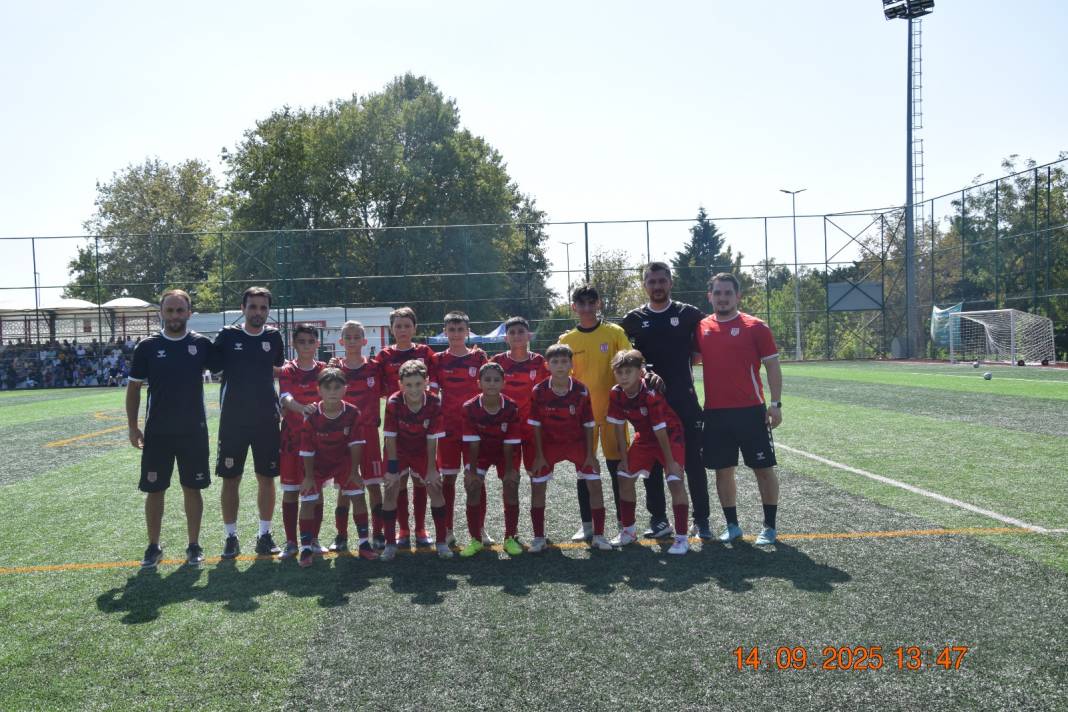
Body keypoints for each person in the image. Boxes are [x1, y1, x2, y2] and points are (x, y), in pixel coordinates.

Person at [620, 262, 711, 539]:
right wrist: (645, 371)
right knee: (653, 463)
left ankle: (701, 520)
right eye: (652, 281)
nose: (657, 286)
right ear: (644, 285)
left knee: (693, 462)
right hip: (649, 403)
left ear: (670, 282)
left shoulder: (689, 314)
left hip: (684, 400)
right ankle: (659, 520)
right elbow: (627, 359)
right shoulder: (632, 319)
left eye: (662, 281)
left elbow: (706, 344)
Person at [126, 289, 216, 568]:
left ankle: (194, 545)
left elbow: (232, 366)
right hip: (158, 433)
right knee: (155, 490)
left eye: (180, 310)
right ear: (161, 313)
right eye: (170, 310)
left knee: (192, 488)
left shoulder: (201, 344)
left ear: (189, 313)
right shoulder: (147, 346)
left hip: (193, 431)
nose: (175, 315)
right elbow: (133, 389)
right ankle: (153, 546)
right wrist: (133, 426)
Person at [694, 273, 783, 545]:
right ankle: (732, 526)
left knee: (763, 468)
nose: (722, 298)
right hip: (716, 413)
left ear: (737, 296)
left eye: (728, 293)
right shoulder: (701, 327)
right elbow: (690, 359)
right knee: (723, 470)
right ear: (710, 296)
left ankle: (769, 527)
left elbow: (772, 366)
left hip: (751, 411)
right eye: (718, 293)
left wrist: (775, 404)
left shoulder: (756, 327)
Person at [212, 286, 285, 559]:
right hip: (233, 420)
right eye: (252, 306)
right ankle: (230, 537)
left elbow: (280, 368)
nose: (258, 312)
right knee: (231, 478)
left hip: (266, 418)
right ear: (243, 308)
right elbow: (211, 365)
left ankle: (264, 534)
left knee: (267, 477)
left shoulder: (274, 337)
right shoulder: (228, 335)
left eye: (263, 308)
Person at [558, 284, 632, 542]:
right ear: (574, 307)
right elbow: (563, 377)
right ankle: (587, 523)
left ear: (599, 303)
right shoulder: (567, 340)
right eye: (582, 303)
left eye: (592, 302)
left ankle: (624, 524)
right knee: (585, 470)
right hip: (582, 417)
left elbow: (630, 363)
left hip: (613, 413)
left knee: (618, 469)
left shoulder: (614, 333)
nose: (587, 307)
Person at [528, 344, 613, 552]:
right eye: (555, 362)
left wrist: (591, 455)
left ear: (571, 364)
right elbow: (536, 426)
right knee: (538, 487)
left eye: (564, 361)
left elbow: (588, 425)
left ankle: (599, 535)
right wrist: (538, 455)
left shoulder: (581, 390)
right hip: (549, 445)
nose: (560, 365)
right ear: (547, 365)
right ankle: (538, 537)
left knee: (595, 484)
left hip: (577, 444)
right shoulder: (539, 391)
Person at [607, 349, 691, 555]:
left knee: (675, 480)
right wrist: (624, 459)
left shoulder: (650, 393)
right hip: (645, 437)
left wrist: (670, 462)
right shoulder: (616, 393)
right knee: (624, 476)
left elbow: (660, 430)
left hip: (669, 435)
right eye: (620, 372)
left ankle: (681, 538)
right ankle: (628, 531)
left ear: (640, 372)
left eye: (629, 371)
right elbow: (619, 428)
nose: (624, 376)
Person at [297, 368, 373, 567]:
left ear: (345, 389)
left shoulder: (352, 412)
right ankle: (306, 548)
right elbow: (307, 449)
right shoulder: (312, 414)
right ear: (319, 390)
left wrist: (354, 472)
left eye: (337, 387)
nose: (332, 391)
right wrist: (309, 477)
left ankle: (364, 544)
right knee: (308, 500)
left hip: (343, 462)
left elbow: (356, 444)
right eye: (327, 387)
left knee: (358, 495)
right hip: (316, 464)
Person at [372, 307, 435, 547]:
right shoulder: (384, 355)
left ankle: (420, 528)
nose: (402, 330)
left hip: (423, 425)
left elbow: (436, 378)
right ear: (391, 329)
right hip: (395, 427)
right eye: (398, 326)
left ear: (414, 328)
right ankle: (403, 529)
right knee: (397, 480)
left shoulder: (425, 352)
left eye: (407, 325)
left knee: (420, 480)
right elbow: (373, 380)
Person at [380, 360, 451, 560]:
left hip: (422, 450)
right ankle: (391, 543)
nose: (414, 389)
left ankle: (440, 542)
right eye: (408, 385)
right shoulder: (394, 402)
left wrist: (432, 470)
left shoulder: (434, 402)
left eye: (418, 384)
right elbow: (390, 437)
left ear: (426, 382)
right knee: (391, 489)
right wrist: (392, 469)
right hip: (398, 450)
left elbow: (432, 438)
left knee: (434, 487)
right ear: (400, 384)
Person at [430, 311, 489, 545]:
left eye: (460, 329)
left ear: (468, 331)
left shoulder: (479, 358)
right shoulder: (437, 360)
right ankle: (448, 529)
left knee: (476, 479)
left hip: (475, 428)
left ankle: (480, 529)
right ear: (445, 332)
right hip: (448, 429)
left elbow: (489, 387)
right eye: (451, 330)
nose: (456, 334)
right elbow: (432, 393)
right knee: (449, 479)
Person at [330, 321, 386, 552]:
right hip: (343, 437)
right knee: (344, 486)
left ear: (364, 341)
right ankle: (341, 535)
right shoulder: (334, 370)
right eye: (348, 337)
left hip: (369, 435)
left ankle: (379, 533)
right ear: (341, 341)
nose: (352, 341)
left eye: (356, 337)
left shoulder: (375, 368)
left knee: (373, 484)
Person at [459, 362, 522, 557]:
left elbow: (510, 443)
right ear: (479, 383)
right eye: (487, 380)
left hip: (505, 453)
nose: (492, 384)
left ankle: (510, 538)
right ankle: (475, 540)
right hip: (479, 453)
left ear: (503, 383)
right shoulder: (469, 407)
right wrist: (472, 473)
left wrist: (510, 471)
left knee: (511, 485)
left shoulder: (511, 407)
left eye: (496, 380)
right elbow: (473, 444)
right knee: (472, 487)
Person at [277, 324, 326, 559]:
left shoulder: (325, 369)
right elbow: (285, 397)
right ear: (294, 344)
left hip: (319, 441)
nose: (306, 345)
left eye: (311, 341)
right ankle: (291, 542)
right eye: (301, 341)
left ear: (318, 343)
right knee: (291, 490)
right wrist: (302, 408)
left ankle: (314, 539)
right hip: (292, 438)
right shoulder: (288, 370)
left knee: (317, 489)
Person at [490, 316, 549, 480]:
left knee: (537, 475)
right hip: (506, 428)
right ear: (505, 337)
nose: (516, 335)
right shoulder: (497, 361)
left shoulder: (539, 362)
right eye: (512, 332)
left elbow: (548, 393)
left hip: (533, 428)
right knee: (509, 477)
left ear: (529, 335)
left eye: (521, 331)